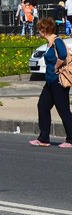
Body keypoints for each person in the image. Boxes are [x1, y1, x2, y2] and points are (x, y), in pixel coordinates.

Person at [31, 17, 72, 148]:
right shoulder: (49, 43)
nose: (38, 32)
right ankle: (43, 138)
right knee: (42, 106)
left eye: (40, 29)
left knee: (63, 110)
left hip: (58, 82)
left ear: (45, 30)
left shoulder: (57, 41)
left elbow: (63, 54)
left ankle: (71, 139)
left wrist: (56, 67)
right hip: (49, 82)